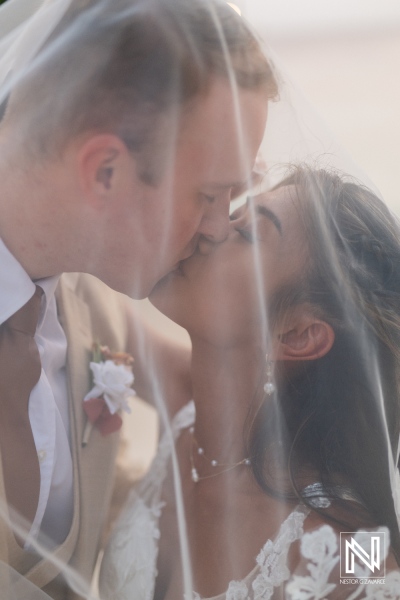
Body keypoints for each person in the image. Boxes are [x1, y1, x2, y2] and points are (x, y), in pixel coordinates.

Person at [0, 0, 277, 597]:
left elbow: (372, 550)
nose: (218, 227)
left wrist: (370, 553)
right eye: (209, 194)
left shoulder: (97, 315)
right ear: (105, 171)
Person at [100, 166, 400, 599]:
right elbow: (85, 302)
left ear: (298, 335)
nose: (211, 227)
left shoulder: (357, 552)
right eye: (235, 211)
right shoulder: (191, 405)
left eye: (249, 233)